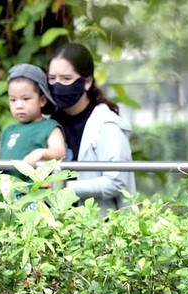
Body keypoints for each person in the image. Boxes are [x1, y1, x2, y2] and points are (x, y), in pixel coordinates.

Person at [48, 43, 135, 211]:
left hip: (97, 226)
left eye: (66, 79)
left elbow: (116, 181)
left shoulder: (106, 124)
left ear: (87, 81)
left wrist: (65, 188)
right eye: (52, 79)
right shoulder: (49, 120)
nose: (57, 86)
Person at [0, 63, 66, 178]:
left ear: (42, 100)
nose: (19, 105)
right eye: (13, 100)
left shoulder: (50, 127)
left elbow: (60, 152)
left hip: (35, 193)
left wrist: (41, 153)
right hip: (7, 193)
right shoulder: (9, 130)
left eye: (26, 99)